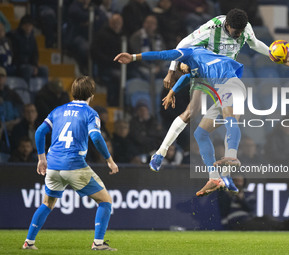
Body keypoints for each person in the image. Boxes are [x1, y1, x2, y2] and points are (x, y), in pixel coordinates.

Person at [148, 9, 289, 174]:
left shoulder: (245, 28)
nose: (238, 35)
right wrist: (171, 70)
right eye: (236, 32)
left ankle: (228, 166)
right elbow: (183, 43)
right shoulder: (211, 28)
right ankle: (160, 153)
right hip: (206, 71)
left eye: (241, 31)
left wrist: (281, 59)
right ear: (227, 25)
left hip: (226, 76)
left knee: (233, 116)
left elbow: (255, 44)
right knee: (191, 112)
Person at [114, 46, 244, 196]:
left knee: (230, 118)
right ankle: (215, 178)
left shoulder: (191, 52)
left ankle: (229, 166)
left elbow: (162, 54)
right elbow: (186, 77)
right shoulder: (197, 69)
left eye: (180, 67)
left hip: (232, 85)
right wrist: (172, 92)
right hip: (222, 92)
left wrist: (134, 56)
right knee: (200, 134)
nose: (181, 70)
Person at [22, 76, 119, 251]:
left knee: (47, 204)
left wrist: (41, 158)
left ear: (72, 92)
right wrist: (109, 160)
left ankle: (29, 242)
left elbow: (39, 132)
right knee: (105, 201)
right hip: (74, 164)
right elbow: (96, 137)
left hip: (53, 165)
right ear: (91, 94)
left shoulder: (58, 110)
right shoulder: (90, 113)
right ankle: (98, 243)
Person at [91, 13, 124, 106]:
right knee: (117, 77)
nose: (117, 25)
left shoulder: (123, 37)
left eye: (119, 23)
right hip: (106, 67)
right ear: (110, 22)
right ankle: (115, 104)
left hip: (123, 67)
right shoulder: (102, 35)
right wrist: (111, 61)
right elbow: (94, 52)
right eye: (115, 22)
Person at [8, 15, 48, 85]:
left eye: (30, 25)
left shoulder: (32, 38)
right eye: (27, 25)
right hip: (18, 65)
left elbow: (35, 54)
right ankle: (26, 90)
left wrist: (35, 65)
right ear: (22, 26)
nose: (28, 27)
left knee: (44, 70)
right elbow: (15, 55)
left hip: (30, 65)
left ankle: (44, 91)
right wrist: (30, 66)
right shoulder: (14, 37)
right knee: (28, 69)